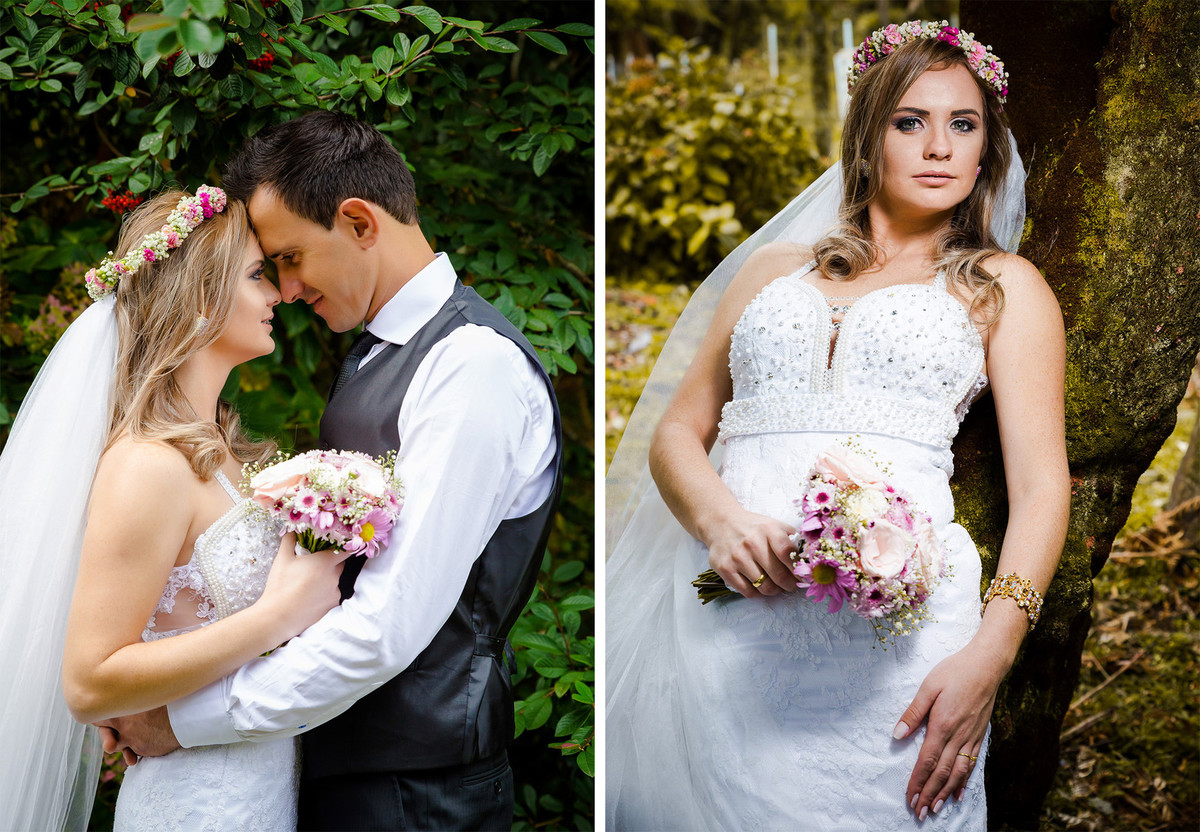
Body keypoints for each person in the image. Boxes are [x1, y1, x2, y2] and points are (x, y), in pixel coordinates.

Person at [606, 21, 1068, 830]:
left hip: (898, 645)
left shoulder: (1005, 287)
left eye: (963, 125)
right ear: (868, 134)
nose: (939, 147)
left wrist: (990, 657)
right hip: (730, 620)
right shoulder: (771, 271)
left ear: (986, 147)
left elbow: (1041, 486)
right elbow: (679, 430)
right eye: (909, 121)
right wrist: (719, 521)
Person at [99, 110, 564, 831]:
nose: (285, 291)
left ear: (358, 223)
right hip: (330, 772)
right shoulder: (377, 353)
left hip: (417, 791)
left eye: (287, 258)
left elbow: (388, 624)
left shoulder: (473, 367)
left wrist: (181, 722)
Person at [0, 187, 348, 830]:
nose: (276, 295)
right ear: (198, 300)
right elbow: (89, 681)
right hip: (195, 806)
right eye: (253, 276)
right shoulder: (145, 466)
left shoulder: (223, 453)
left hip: (264, 791)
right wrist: (278, 615)